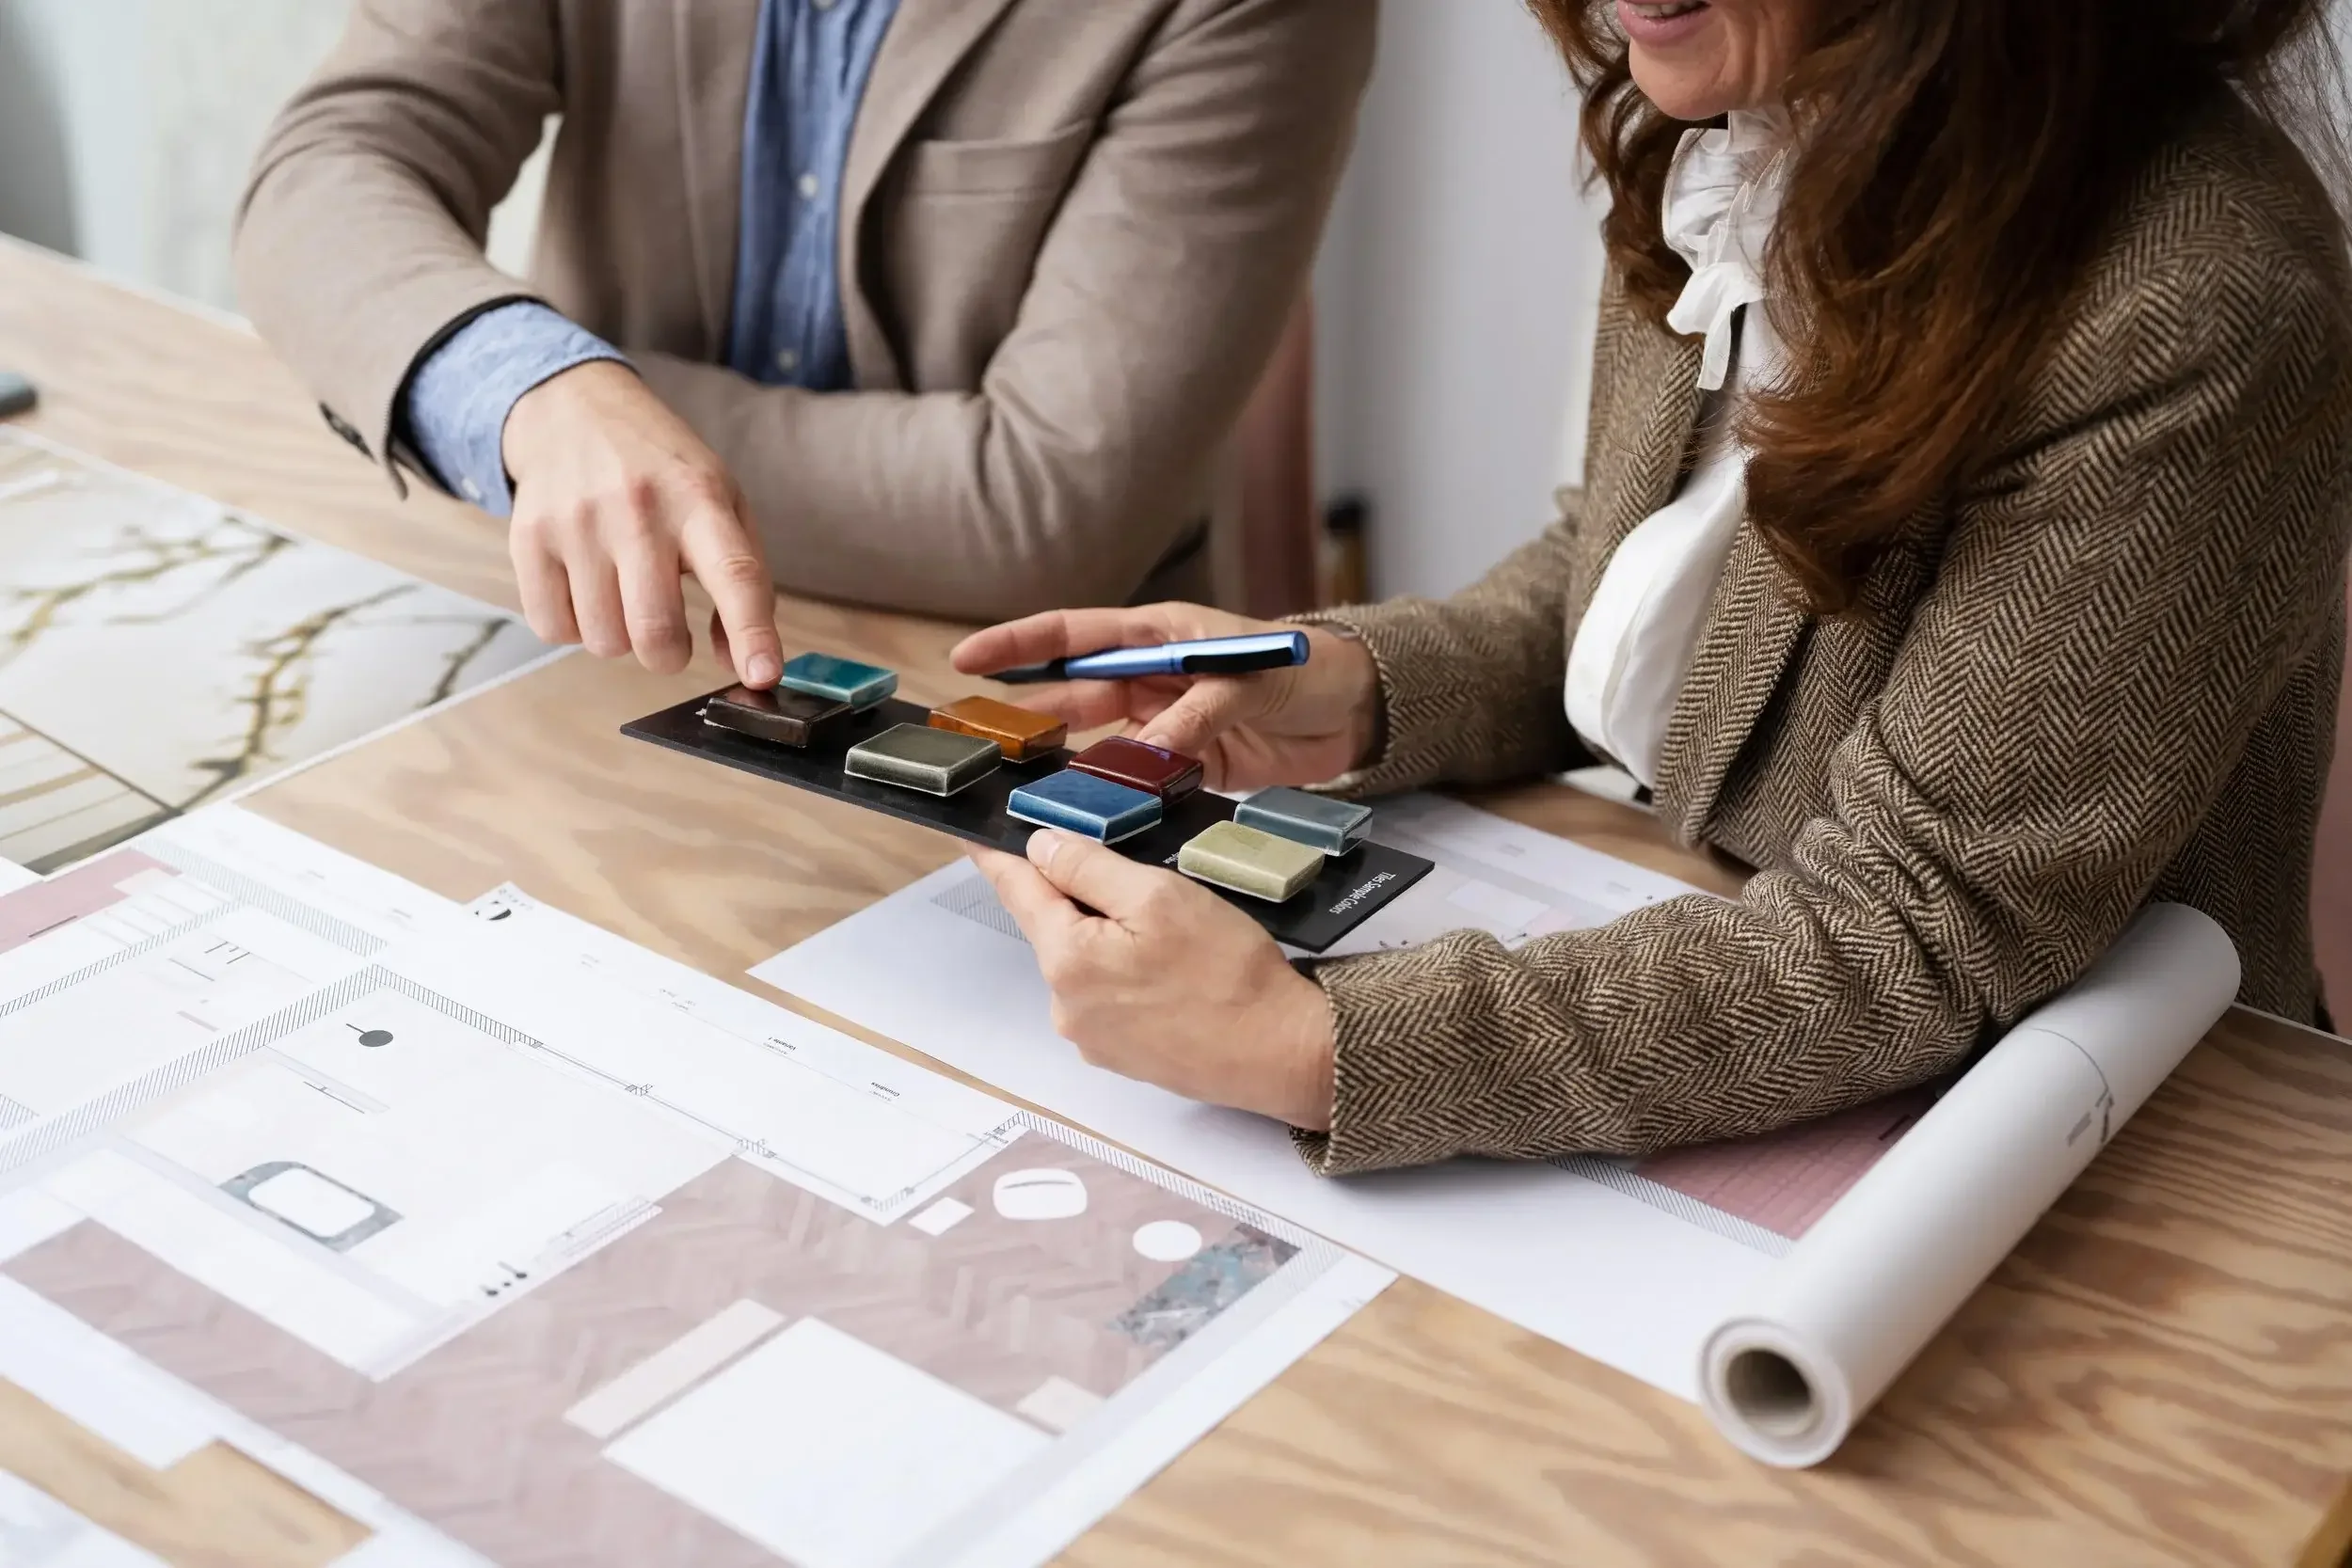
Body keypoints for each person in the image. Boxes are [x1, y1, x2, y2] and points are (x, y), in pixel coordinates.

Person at [953, 0, 2352, 1176]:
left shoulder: (2197, 301)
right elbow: (1626, 567)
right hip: (1724, 990)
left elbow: (1921, 927)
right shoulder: (1730, 120)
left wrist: (1330, 1046)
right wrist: (1351, 683)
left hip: (2091, 1160)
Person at [232, 0, 1375, 690]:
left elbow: (1045, 506)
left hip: (1017, 706)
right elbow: (330, 168)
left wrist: (566, 417)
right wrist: (541, 392)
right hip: (592, 642)